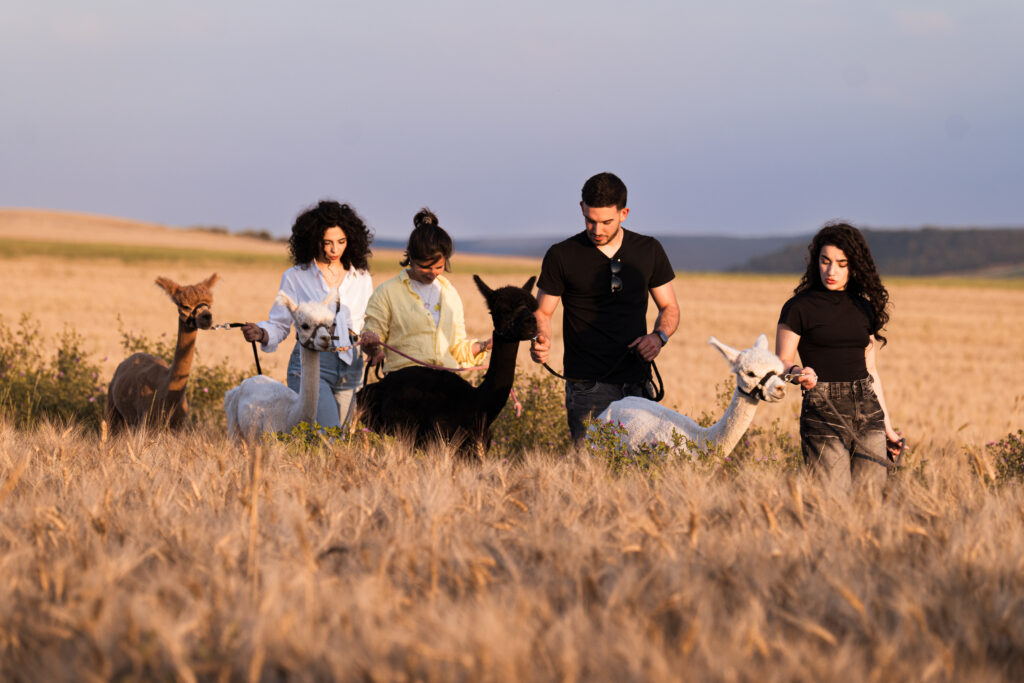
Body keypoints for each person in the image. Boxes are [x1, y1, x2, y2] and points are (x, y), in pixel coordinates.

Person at [530, 172, 680, 442]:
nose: (597, 230)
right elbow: (543, 312)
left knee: (644, 467)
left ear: (624, 213)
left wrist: (659, 337)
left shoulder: (649, 250)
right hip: (587, 387)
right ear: (581, 209)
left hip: (638, 381)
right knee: (590, 470)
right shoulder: (561, 255)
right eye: (590, 220)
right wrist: (541, 339)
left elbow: (669, 307)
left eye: (606, 222)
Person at [776, 222, 902, 492]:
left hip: (868, 411)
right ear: (816, 262)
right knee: (833, 505)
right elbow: (781, 362)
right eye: (825, 261)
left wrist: (888, 428)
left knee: (870, 506)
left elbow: (871, 373)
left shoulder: (864, 307)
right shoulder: (798, 307)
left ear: (854, 267)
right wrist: (798, 374)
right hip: (822, 410)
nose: (831, 271)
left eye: (841, 263)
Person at [239, 200, 373, 429]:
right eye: (327, 242)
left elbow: (367, 322)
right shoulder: (296, 276)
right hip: (311, 364)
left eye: (341, 242)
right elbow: (279, 324)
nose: (334, 250)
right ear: (313, 241)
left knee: (339, 442)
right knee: (327, 436)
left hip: (352, 366)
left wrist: (373, 343)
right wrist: (262, 333)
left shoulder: (361, 277)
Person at [359, 208, 491, 371]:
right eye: (425, 267)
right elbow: (371, 338)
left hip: (444, 382)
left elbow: (456, 349)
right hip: (405, 382)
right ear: (411, 258)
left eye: (439, 267)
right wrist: (372, 347)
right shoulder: (386, 293)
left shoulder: (450, 294)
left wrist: (485, 345)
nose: (432, 273)